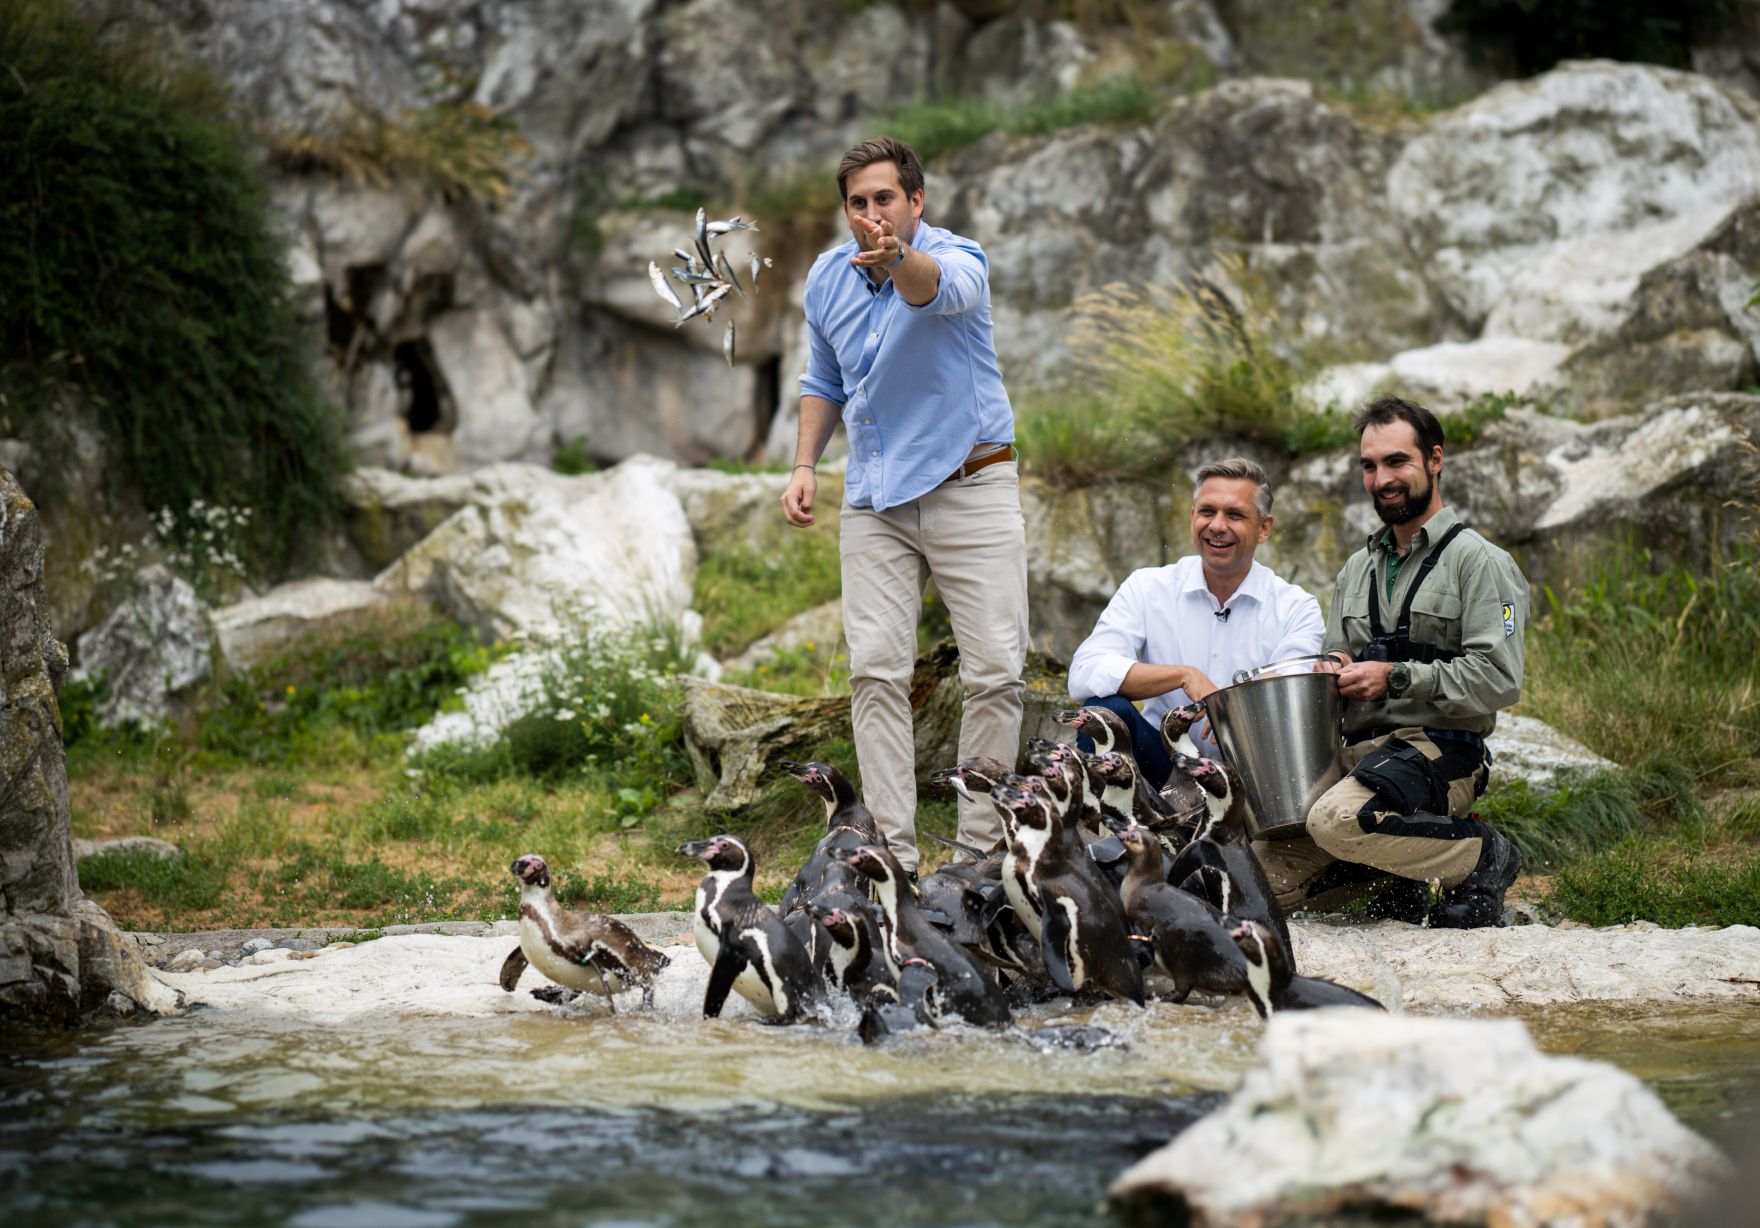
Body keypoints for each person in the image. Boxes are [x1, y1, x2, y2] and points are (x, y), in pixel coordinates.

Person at [780, 137, 1026, 875]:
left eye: (884, 199)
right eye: (857, 203)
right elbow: (823, 379)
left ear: (915, 202)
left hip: (971, 484)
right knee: (876, 673)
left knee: (995, 673)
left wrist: (894, 259)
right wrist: (803, 466)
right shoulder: (826, 279)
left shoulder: (957, 260)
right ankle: (890, 857)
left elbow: (928, 289)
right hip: (877, 501)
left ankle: (979, 858)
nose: (871, 214)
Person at [1255, 396, 1527, 929]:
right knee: (1264, 881)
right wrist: (1330, 667)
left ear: (1434, 460)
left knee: (1337, 822)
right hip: (1359, 757)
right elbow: (1339, 651)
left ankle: (1481, 854)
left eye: (1397, 461)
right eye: (1370, 466)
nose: (1382, 479)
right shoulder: (1355, 569)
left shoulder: (1482, 563)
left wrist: (1395, 676)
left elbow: (1499, 678)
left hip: (1440, 750)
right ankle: (1396, 873)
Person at [1066, 458, 1323, 787]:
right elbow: (1085, 673)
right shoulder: (1147, 587)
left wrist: (1226, 708)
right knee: (1103, 711)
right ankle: (1117, 831)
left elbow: (1288, 701)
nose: (1217, 525)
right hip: (1161, 767)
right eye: (1207, 512)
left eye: (1235, 515)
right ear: (1192, 517)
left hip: (1250, 781)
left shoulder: (1296, 608)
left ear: (1264, 528)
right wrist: (1184, 676)